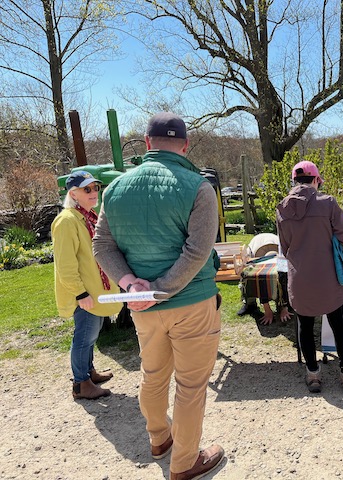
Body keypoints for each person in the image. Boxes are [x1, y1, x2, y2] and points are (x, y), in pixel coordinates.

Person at [93, 112, 224, 480]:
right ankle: (184, 463)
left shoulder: (115, 189)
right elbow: (198, 251)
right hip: (191, 302)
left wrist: (130, 282)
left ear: (147, 144)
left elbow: (101, 243)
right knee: (191, 386)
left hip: (141, 306)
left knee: (152, 376)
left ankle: (159, 439)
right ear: (184, 146)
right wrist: (160, 290)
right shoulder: (198, 187)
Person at [276, 160, 343, 395]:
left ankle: (313, 374)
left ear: (294, 181)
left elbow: (285, 247)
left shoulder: (281, 208)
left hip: (300, 277)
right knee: (338, 325)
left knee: (304, 326)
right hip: (328, 277)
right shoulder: (328, 203)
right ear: (316, 180)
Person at [51, 171, 123, 400]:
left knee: (91, 335)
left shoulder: (87, 217)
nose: (94, 193)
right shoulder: (67, 221)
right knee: (84, 336)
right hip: (85, 293)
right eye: (87, 189)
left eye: (95, 188)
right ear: (73, 193)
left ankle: (88, 372)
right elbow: (65, 264)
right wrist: (80, 293)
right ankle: (81, 384)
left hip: (95, 290)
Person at [237, 233, 292, 325]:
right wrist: (267, 310)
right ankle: (250, 304)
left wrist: (284, 308)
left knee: (283, 278)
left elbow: (286, 284)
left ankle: (283, 305)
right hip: (258, 255)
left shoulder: (282, 267)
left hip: (279, 256)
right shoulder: (256, 252)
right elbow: (261, 284)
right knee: (253, 279)